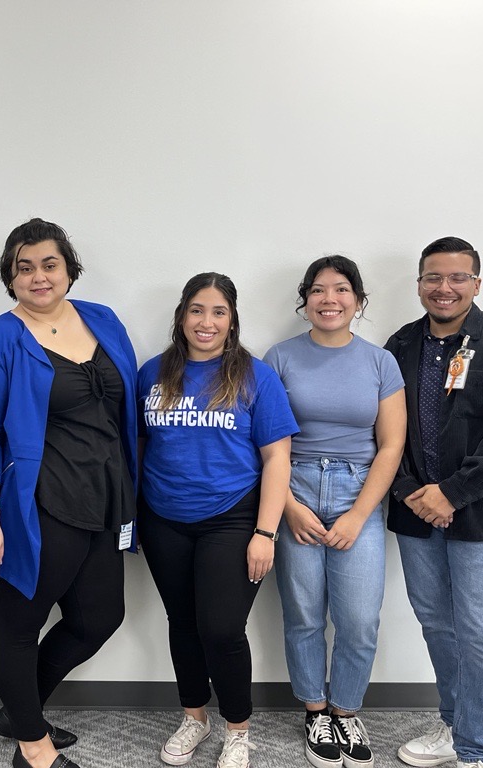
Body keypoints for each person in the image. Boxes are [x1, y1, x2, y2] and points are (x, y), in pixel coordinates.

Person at [0, 218, 138, 768]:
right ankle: (31, 749)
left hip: (107, 499)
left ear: (69, 268)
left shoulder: (102, 320)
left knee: (99, 619)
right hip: (40, 504)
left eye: (49, 264)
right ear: (10, 277)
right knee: (17, 625)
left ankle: (19, 709)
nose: (38, 276)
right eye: (24, 267)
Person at [385, 237, 483, 768]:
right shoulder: (400, 346)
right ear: (419, 284)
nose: (444, 288)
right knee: (436, 623)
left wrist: (451, 493)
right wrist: (413, 491)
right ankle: (455, 725)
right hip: (417, 514)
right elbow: (383, 430)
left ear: (477, 283)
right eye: (433, 277)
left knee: (480, 633)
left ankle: (475, 751)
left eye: (457, 278)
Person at [138, 272, 296, 768]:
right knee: (182, 622)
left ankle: (237, 729)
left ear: (232, 320)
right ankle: (194, 718)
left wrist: (265, 533)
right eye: (197, 311)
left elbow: (277, 459)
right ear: (182, 316)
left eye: (218, 312)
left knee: (222, 629)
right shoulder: (152, 373)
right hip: (163, 517)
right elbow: (139, 447)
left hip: (232, 517)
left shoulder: (255, 376)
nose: (206, 322)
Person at [263, 256, 406, 768]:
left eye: (341, 290)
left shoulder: (379, 362)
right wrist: (290, 509)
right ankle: (316, 711)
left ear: (359, 301)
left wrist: (358, 515)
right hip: (293, 486)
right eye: (319, 290)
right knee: (303, 615)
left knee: (359, 619)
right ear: (305, 301)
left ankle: (346, 711)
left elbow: (390, 446)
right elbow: (265, 443)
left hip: (358, 492)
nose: (330, 299)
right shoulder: (279, 357)